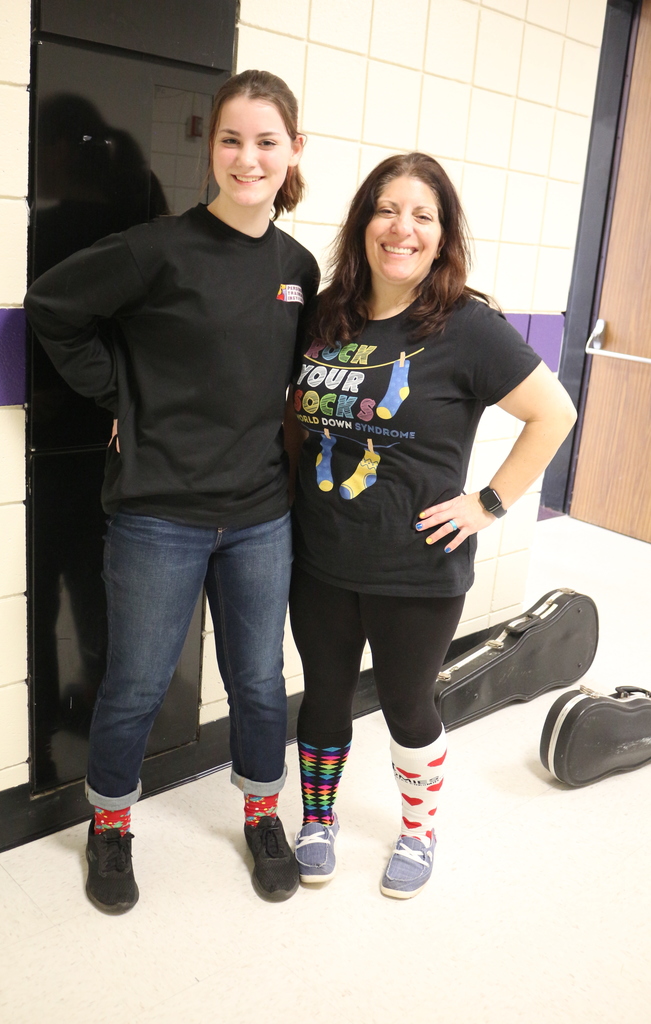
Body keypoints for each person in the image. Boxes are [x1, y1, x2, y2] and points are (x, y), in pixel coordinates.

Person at [24, 70, 319, 911]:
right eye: (232, 139)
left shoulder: (296, 267)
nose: (247, 157)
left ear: (294, 150)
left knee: (260, 682)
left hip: (261, 517)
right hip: (159, 516)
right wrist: (119, 397)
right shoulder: (157, 248)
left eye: (266, 141)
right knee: (137, 684)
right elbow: (53, 307)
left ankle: (264, 812)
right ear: (210, 147)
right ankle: (110, 827)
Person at [286, 152, 577, 899]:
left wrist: (486, 503)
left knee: (407, 705)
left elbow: (554, 413)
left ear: (442, 233)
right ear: (363, 222)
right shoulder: (325, 315)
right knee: (321, 696)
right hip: (319, 552)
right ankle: (316, 821)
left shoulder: (466, 326)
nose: (400, 228)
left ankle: (418, 830)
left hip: (416, 563)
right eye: (386, 209)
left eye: (421, 214)